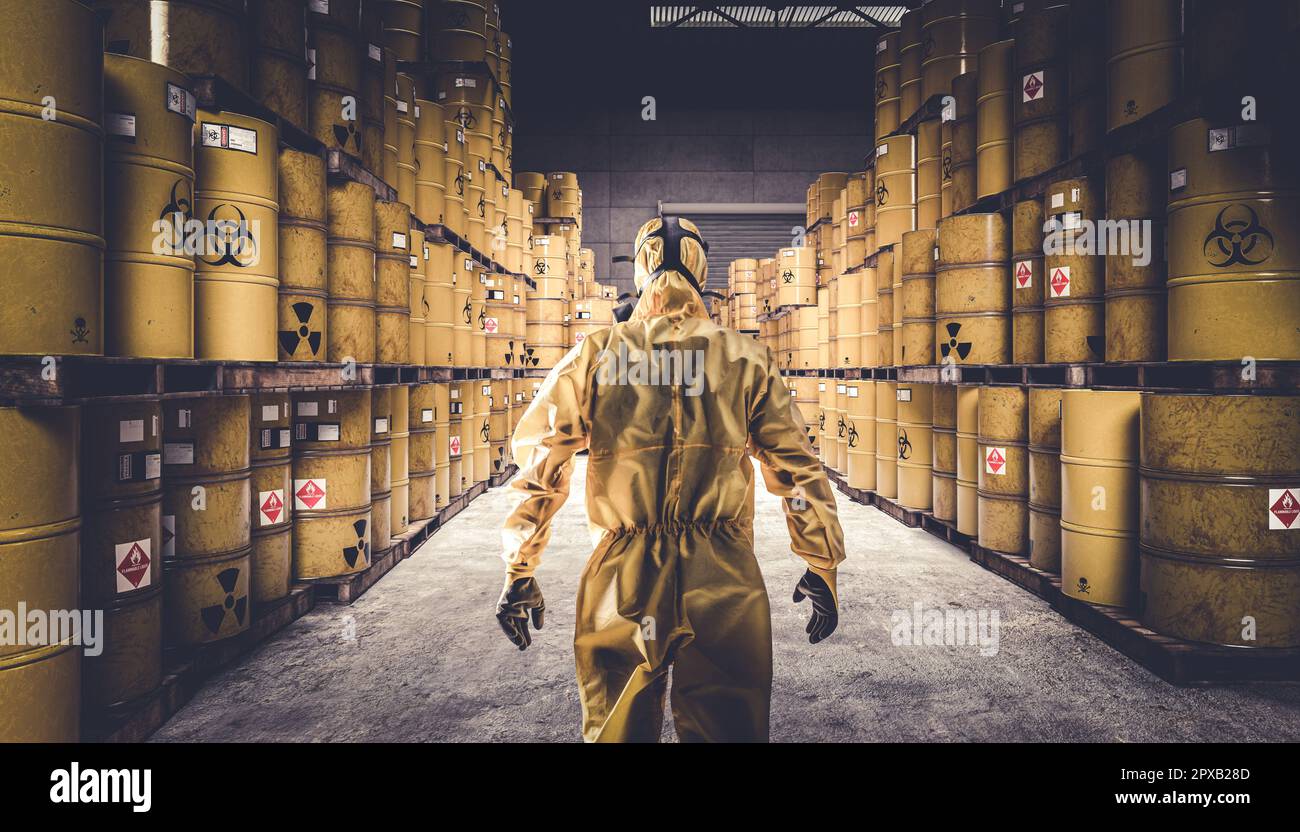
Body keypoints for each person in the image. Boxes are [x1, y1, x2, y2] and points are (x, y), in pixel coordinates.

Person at [496, 216, 845, 742]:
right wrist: (821, 560)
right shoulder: (746, 358)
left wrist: (520, 566)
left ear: (640, 268)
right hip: (723, 579)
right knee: (730, 729)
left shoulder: (596, 355)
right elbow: (795, 470)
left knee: (616, 727)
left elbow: (543, 465)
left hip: (624, 580)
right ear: (704, 270)